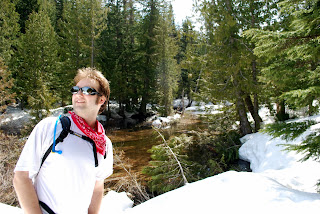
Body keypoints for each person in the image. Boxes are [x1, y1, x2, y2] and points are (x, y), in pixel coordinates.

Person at [13, 67, 113, 214]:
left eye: (87, 90)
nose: (79, 94)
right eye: (75, 89)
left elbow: (97, 187)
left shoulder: (104, 144)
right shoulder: (50, 127)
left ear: (102, 99)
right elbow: (21, 177)